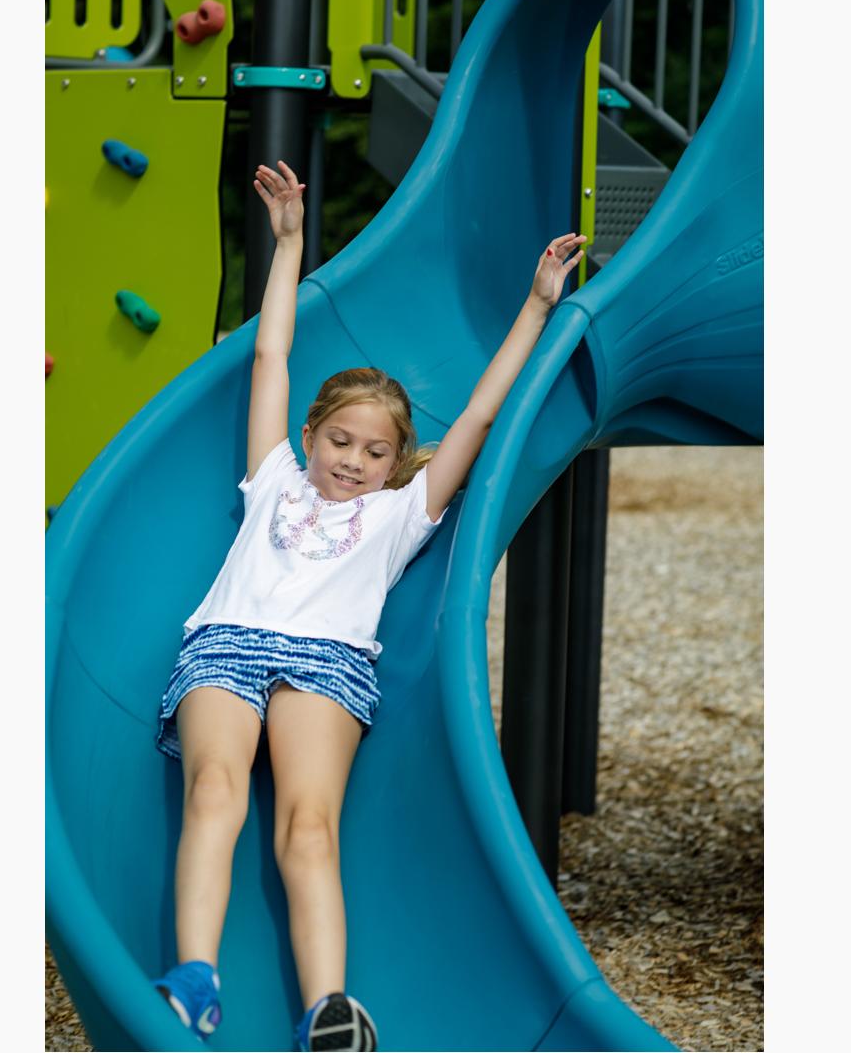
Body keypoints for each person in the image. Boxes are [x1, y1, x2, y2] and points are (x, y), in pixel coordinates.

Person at [148, 160, 586, 1051]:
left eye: (375, 451)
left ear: (397, 464)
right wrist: (290, 245)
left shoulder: (399, 517)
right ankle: (195, 977)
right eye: (339, 439)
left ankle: (328, 1010)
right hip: (226, 645)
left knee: (308, 825)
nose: (352, 459)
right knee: (216, 791)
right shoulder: (273, 475)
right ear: (309, 436)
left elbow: (474, 420)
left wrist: (538, 308)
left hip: (326, 663)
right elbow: (270, 354)